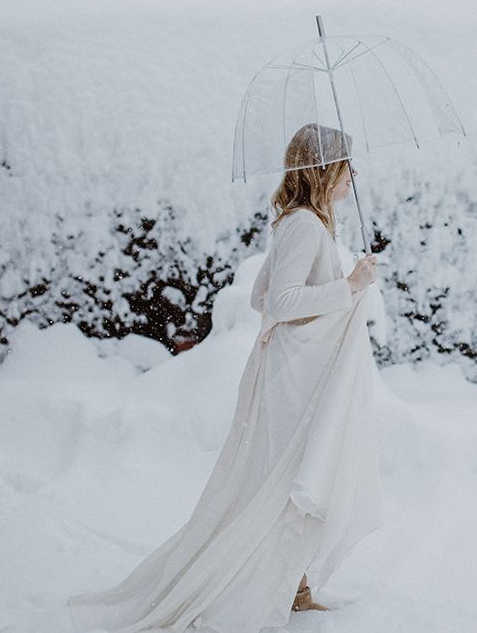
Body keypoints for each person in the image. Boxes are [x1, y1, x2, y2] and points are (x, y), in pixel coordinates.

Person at [67, 123, 383, 633]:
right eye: (348, 165)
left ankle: (294, 583)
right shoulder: (304, 226)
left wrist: (341, 289)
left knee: (283, 477)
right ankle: (271, 585)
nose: (354, 174)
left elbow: (261, 297)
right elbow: (279, 303)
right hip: (292, 381)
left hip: (290, 373)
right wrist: (349, 285)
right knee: (286, 478)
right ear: (326, 170)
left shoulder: (299, 223)